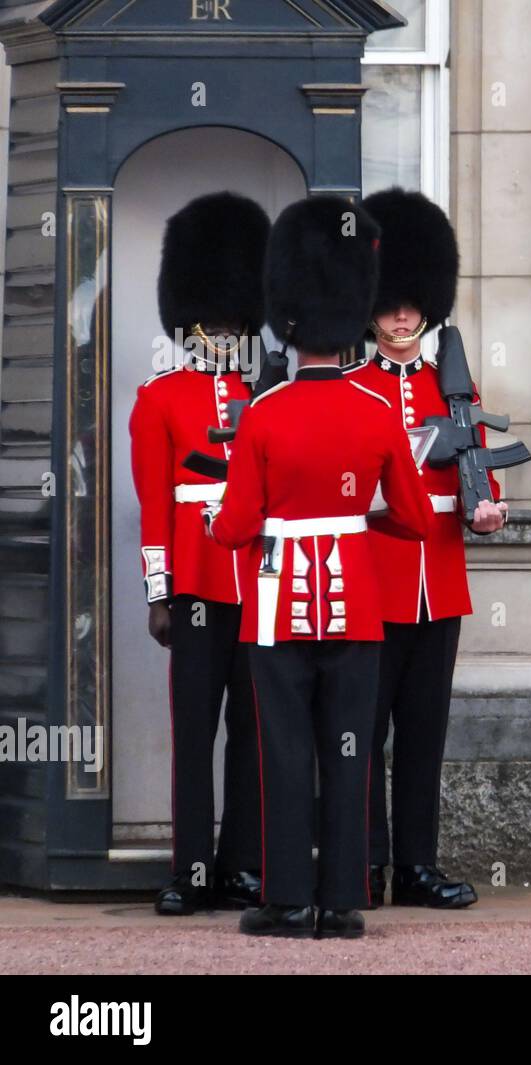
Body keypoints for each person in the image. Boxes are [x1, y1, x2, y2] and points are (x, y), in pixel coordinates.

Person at [209, 195, 432, 939]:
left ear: (290, 321)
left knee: (284, 751)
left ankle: (288, 899)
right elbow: (417, 517)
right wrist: (359, 517)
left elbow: (235, 527)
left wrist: (225, 520)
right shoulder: (377, 412)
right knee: (350, 750)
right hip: (357, 605)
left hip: (278, 604)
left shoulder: (265, 413)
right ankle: (341, 902)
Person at [347, 187, 505, 909]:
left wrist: (490, 507)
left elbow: (480, 471)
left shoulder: (455, 387)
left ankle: (415, 865)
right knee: (364, 731)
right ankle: (366, 863)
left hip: (437, 578)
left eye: (411, 303)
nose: (401, 316)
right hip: (374, 581)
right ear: (371, 308)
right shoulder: (352, 389)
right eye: (388, 304)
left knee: (423, 736)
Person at [129, 192, 268, 915]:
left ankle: (243, 862)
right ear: (190, 321)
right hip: (198, 585)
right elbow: (156, 506)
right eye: (210, 320)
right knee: (194, 731)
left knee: (251, 728)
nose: (221, 331)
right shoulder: (159, 398)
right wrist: (160, 592)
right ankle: (190, 867)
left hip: (264, 585)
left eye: (231, 319)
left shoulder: (269, 395)